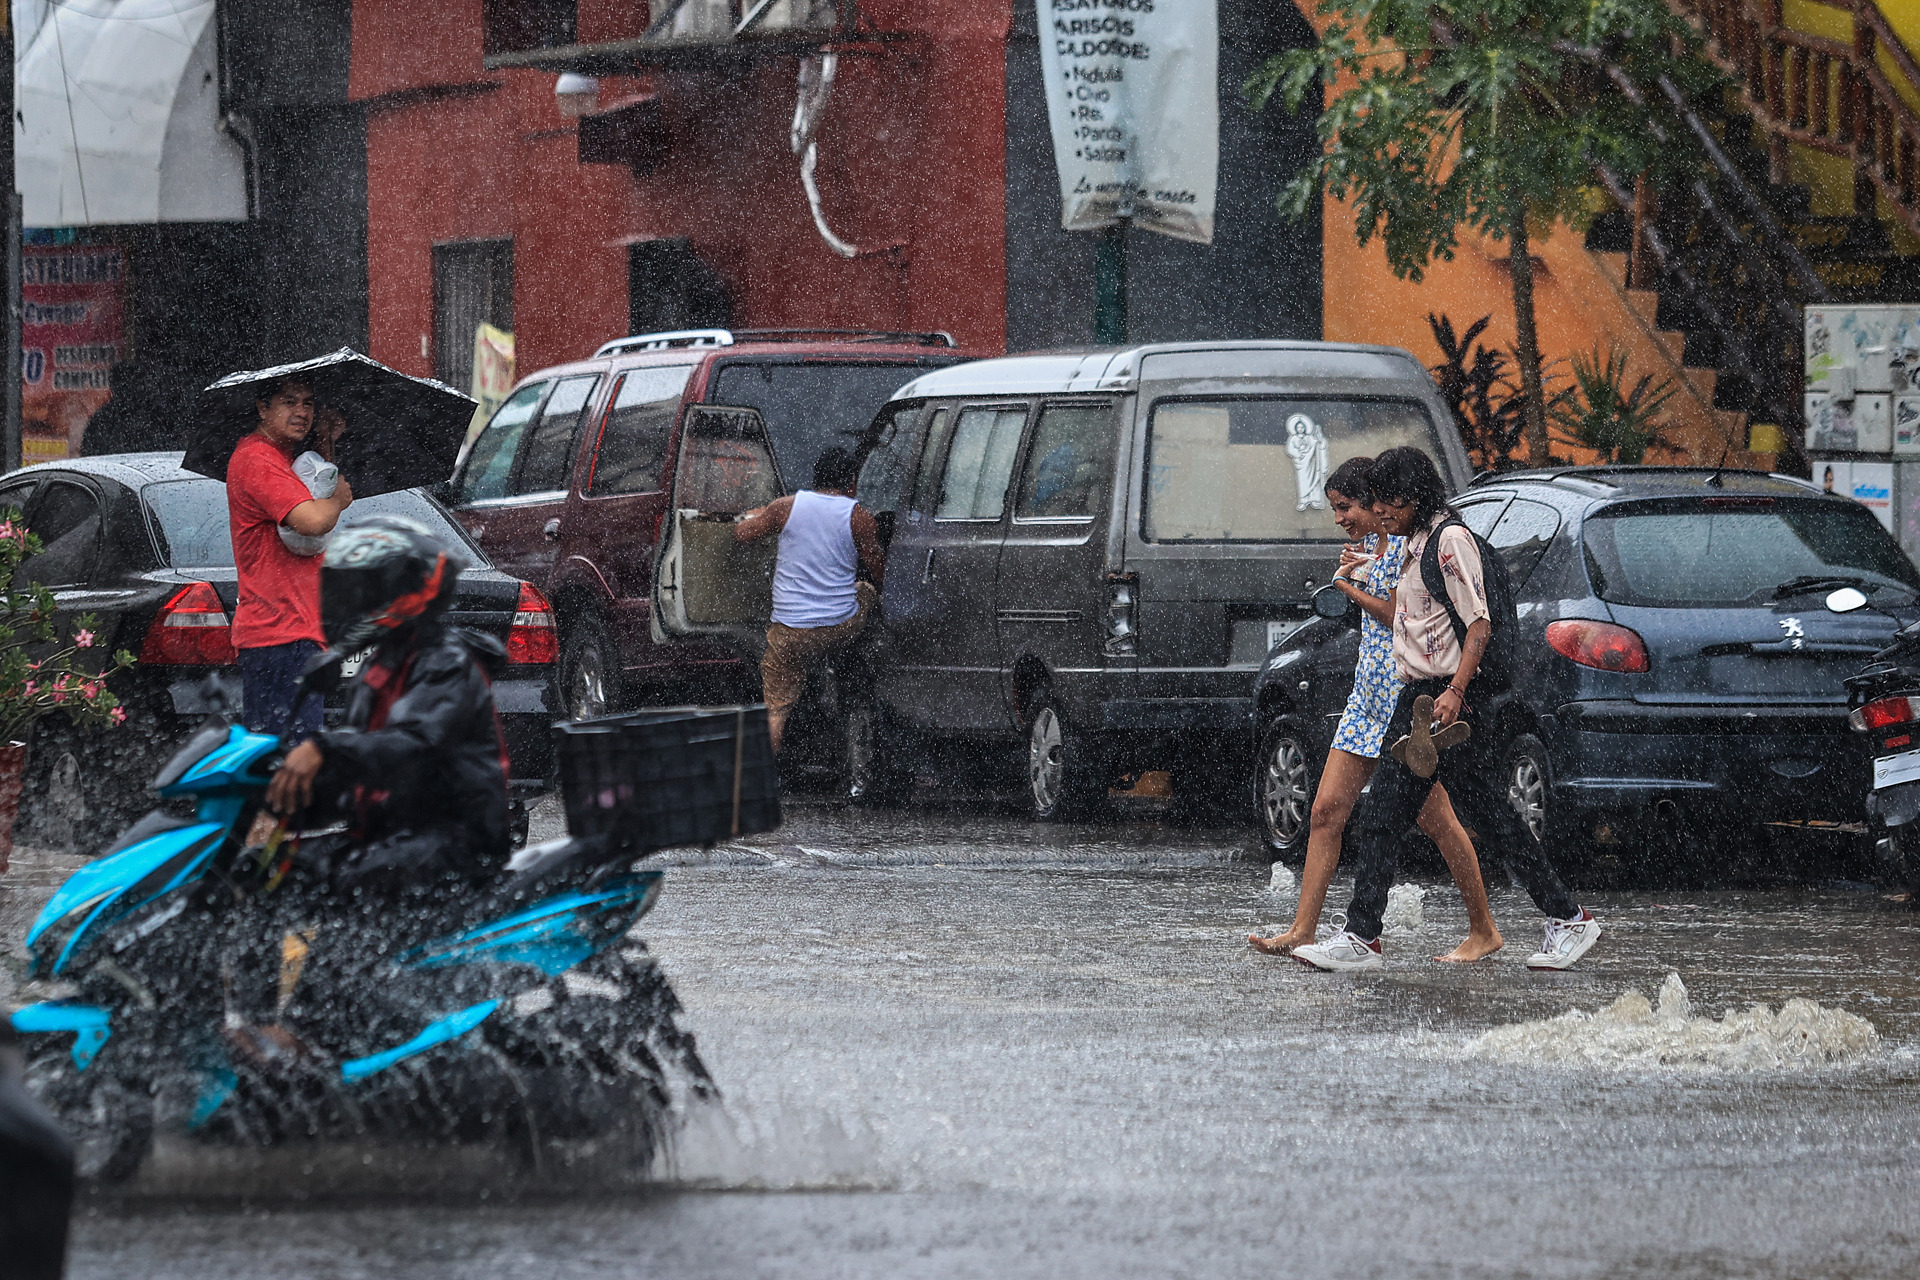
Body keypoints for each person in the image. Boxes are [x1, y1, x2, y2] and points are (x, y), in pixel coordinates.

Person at [1293, 447, 1602, 972]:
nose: (1381, 511)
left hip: (1447, 703)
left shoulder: (1450, 540)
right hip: (1417, 701)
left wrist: (1456, 692)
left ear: (1413, 496)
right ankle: (1364, 935)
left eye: (1389, 501)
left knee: (1423, 816)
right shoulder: (1416, 543)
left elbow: (1478, 625)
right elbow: (1410, 607)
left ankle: (1564, 918)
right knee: (1420, 815)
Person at [1249, 458, 1504, 962]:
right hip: (1364, 700)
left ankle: (1482, 927)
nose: (1342, 518)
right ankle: (1303, 929)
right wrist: (1355, 573)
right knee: (1324, 812)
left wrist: (1346, 589)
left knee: (1437, 822)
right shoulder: (1367, 549)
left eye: (1347, 507)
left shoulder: (1407, 548)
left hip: (1403, 704)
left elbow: (1397, 618)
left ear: (1373, 502)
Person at [265, 516, 512, 896]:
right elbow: (358, 774)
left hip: (454, 841)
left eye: (362, 589)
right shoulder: (377, 667)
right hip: (388, 834)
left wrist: (325, 748)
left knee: (346, 885)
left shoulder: (446, 662)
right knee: (266, 869)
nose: (350, 602)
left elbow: (414, 746)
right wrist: (283, 798)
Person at [732, 448, 886, 753]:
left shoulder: (784, 508)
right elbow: (878, 567)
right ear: (851, 482)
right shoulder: (860, 517)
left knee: (774, 709)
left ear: (815, 479)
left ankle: (763, 778)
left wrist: (752, 515)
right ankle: (847, 665)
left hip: (789, 632)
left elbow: (741, 534)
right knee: (865, 590)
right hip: (838, 627)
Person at [227, 376, 354, 740]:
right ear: (262, 408)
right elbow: (311, 521)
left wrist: (327, 443)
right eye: (289, 402)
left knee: (285, 761)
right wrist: (338, 502)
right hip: (279, 635)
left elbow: (313, 491)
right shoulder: (258, 459)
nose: (302, 412)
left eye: (309, 404)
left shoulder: (282, 460)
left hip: (294, 631)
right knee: (287, 764)